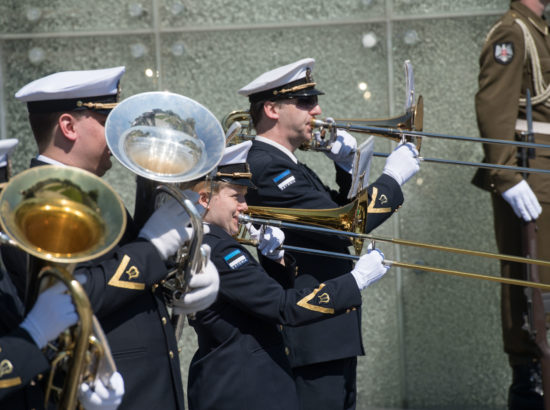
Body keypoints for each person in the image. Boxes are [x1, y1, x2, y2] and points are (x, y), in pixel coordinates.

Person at [5, 66, 220, 410]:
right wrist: (152, 248)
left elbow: (129, 282)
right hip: (109, 392)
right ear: (68, 127)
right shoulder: (38, 200)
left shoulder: (92, 191)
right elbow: (71, 297)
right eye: (108, 121)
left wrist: (187, 271)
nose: (121, 135)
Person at [238, 58, 420, 409]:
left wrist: (350, 166)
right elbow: (348, 225)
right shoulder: (267, 167)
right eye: (305, 102)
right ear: (272, 109)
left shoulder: (287, 164)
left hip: (328, 328)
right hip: (311, 328)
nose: (317, 109)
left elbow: (335, 219)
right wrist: (393, 179)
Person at [186, 141, 391, 410]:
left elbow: (257, 303)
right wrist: (356, 281)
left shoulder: (219, 244)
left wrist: (277, 260)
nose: (246, 207)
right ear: (204, 199)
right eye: (237, 197)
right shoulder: (217, 248)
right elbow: (283, 307)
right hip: (240, 388)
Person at [473, 1, 550, 408]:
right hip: (529, 172)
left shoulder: (537, 29)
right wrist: (505, 175)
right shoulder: (513, 32)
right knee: (531, 276)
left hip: (542, 169)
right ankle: (531, 379)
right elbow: (494, 102)